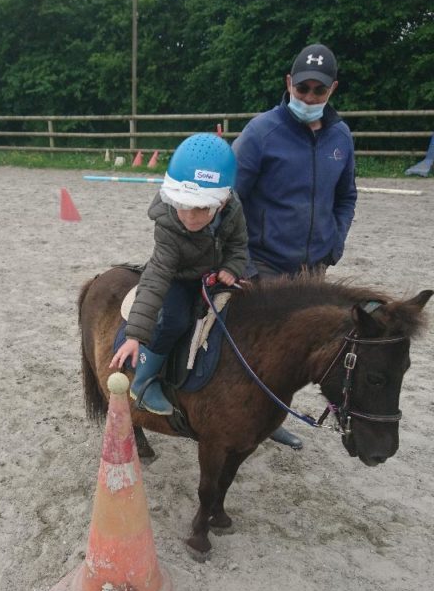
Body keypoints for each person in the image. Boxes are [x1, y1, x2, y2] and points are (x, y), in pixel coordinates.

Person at [231, 42, 358, 448]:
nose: (309, 97)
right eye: (302, 88)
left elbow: (346, 196)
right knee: (265, 351)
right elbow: (230, 199)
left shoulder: (341, 137)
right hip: (265, 263)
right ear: (289, 83)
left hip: (314, 266)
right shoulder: (260, 133)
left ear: (332, 89)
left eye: (318, 90)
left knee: (298, 353)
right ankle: (251, 417)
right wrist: (245, 263)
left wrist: (335, 242)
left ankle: (272, 418)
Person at [110, 133, 251, 415]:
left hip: (214, 275)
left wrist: (231, 268)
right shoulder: (169, 224)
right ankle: (144, 381)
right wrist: (135, 336)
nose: (189, 216)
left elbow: (239, 246)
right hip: (178, 276)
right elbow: (156, 278)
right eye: (182, 205)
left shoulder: (234, 210)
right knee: (175, 320)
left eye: (200, 208)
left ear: (223, 202)